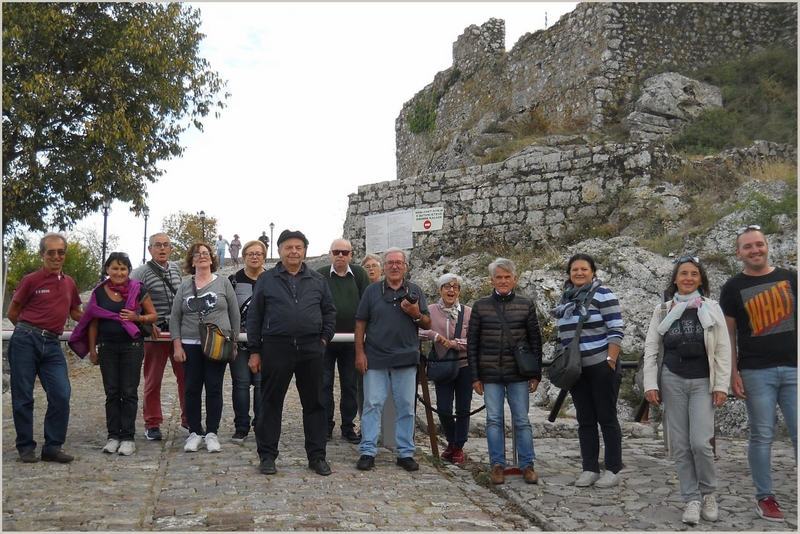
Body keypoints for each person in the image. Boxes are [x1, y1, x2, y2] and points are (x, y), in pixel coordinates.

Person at [642, 256, 730, 525]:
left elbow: (723, 349)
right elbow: (652, 348)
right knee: (680, 446)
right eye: (683, 274)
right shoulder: (662, 310)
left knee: (701, 443)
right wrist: (650, 383)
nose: (688, 278)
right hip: (672, 379)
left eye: (693, 274)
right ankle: (691, 498)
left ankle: (708, 493)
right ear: (675, 279)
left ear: (701, 279)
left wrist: (721, 385)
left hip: (703, 380)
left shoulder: (712, 308)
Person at [719, 225, 797, 522]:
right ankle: (765, 497)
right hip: (755, 372)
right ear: (739, 253)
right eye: (748, 247)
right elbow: (729, 336)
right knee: (762, 435)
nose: (755, 250)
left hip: (794, 368)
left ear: (767, 246)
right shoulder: (732, 287)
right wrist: (732, 373)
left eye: (759, 244)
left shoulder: (790, 278)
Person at [247, 230, 336, 476]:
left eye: (298, 247)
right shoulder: (267, 280)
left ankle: (317, 457)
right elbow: (254, 317)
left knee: (315, 404)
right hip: (276, 347)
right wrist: (255, 351)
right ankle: (267, 456)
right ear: (279, 251)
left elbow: (329, 312)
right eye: (288, 247)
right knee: (270, 403)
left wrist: (323, 340)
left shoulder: (317, 280)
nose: (294, 251)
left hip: (311, 349)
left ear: (304, 251)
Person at [69, 252, 158, 456]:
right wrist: (92, 350)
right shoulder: (99, 292)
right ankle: (113, 436)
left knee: (128, 391)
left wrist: (137, 318)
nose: (119, 272)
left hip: (132, 347)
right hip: (107, 347)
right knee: (112, 392)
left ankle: (127, 437)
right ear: (107, 269)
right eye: (115, 268)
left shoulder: (137, 288)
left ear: (128, 271)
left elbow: (152, 314)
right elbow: (93, 322)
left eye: (123, 268)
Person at [550, 253, 625, 489]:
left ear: (593, 272)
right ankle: (590, 467)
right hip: (576, 369)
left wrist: (610, 360)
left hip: (601, 366)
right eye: (574, 270)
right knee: (585, 420)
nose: (579, 273)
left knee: (607, 417)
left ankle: (612, 469)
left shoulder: (603, 294)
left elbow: (616, 328)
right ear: (569, 274)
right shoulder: (566, 300)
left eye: (584, 269)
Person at [7, 233, 83, 463]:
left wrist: (105, 321)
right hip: (26, 341)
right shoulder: (31, 280)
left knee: (61, 394)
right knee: (23, 397)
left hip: (52, 344)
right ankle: (25, 447)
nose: (56, 256)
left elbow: (76, 313)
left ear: (65, 254)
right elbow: (12, 313)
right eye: (51, 252)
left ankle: (52, 446)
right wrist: (27, 332)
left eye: (60, 252)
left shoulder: (69, 282)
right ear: (42, 254)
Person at [354, 247, 431, 472]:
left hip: (406, 358)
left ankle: (405, 453)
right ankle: (367, 451)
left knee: (406, 407)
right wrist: (360, 353)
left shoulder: (415, 290)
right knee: (372, 405)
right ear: (384, 267)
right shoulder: (371, 291)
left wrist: (415, 313)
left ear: (405, 267)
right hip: (375, 357)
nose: (394, 266)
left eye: (399, 263)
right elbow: (360, 324)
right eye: (390, 263)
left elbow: (427, 323)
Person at [467, 257, 542, 485]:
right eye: (498, 277)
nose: (503, 281)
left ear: (514, 279)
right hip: (490, 374)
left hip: (518, 373)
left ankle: (527, 464)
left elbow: (535, 341)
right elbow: (473, 343)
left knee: (522, 421)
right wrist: (475, 376)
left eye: (507, 277)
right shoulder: (480, 306)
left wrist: (535, 373)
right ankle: (497, 465)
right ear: (492, 280)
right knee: (493, 420)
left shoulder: (526, 304)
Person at [170, 242, 240, 453]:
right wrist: (177, 345)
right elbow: (175, 317)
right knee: (191, 388)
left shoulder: (224, 283)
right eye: (197, 254)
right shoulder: (184, 285)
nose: (202, 257)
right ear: (192, 260)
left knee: (214, 388)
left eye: (206, 253)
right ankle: (194, 432)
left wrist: (234, 341)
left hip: (217, 343)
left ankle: (211, 432)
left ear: (212, 258)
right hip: (190, 344)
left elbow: (234, 314)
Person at [130, 233, 188, 441]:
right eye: (157, 245)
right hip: (155, 334)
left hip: (177, 332)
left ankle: (188, 420)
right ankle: (152, 423)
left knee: (185, 377)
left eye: (166, 245)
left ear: (171, 248)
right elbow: (131, 303)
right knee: (153, 378)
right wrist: (147, 321)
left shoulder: (175, 269)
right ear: (149, 249)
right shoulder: (141, 273)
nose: (162, 249)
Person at [316, 238, 369, 443]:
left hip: (351, 341)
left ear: (351, 255)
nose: (340, 256)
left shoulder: (359, 274)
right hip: (326, 340)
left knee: (349, 385)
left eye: (344, 252)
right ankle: (326, 426)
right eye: (336, 252)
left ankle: (348, 426)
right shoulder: (320, 274)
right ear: (330, 254)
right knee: (324, 383)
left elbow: (366, 304)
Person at [419, 273, 473, 464]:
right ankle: (451, 441)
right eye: (447, 286)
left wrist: (455, 344)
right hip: (442, 365)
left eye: (455, 287)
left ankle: (458, 447)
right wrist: (435, 336)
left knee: (463, 407)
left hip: (464, 365)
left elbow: (475, 339)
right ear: (440, 290)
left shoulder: (468, 312)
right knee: (443, 407)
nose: (451, 290)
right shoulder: (431, 310)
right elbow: (418, 330)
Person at [227, 239, 266, 442]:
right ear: (244, 256)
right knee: (241, 384)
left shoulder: (271, 279)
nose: (254, 257)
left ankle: (261, 424)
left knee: (261, 385)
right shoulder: (233, 280)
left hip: (265, 343)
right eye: (250, 253)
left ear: (264, 256)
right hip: (240, 342)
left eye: (258, 253)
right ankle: (241, 425)